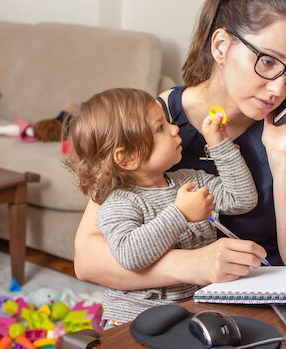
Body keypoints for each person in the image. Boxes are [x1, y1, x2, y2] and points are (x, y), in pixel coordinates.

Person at [74, 0, 286, 291]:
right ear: (221, 46)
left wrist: (281, 155)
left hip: (274, 296)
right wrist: (194, 264)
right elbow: (87, 259)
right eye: (268, 62)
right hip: (187, 303)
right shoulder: (164, 120)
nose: (278, 89)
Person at [63, 88, 257, 326]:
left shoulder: (190, 180)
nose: (175, 129)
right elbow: (130, 256)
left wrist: (219, 143)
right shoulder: (118, 202)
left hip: (192, 314)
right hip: (135, 321)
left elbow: (242, 199)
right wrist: (180, 215)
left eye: (168, 122)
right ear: (127, 158)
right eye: (161, 128)